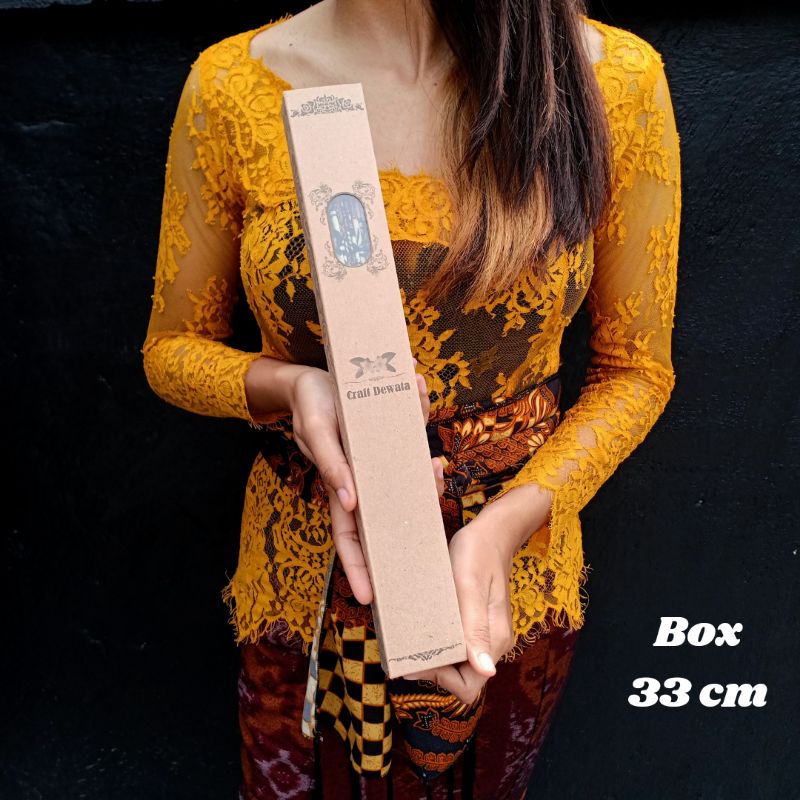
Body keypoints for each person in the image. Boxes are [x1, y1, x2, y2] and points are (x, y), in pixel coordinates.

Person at [141, 0, 681, 796]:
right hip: (310, 576)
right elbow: (170, 350)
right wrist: (293, 387)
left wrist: (508, 525)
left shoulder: (612, 80)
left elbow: (636, 370)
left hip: (506, 585)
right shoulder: (233, 86)